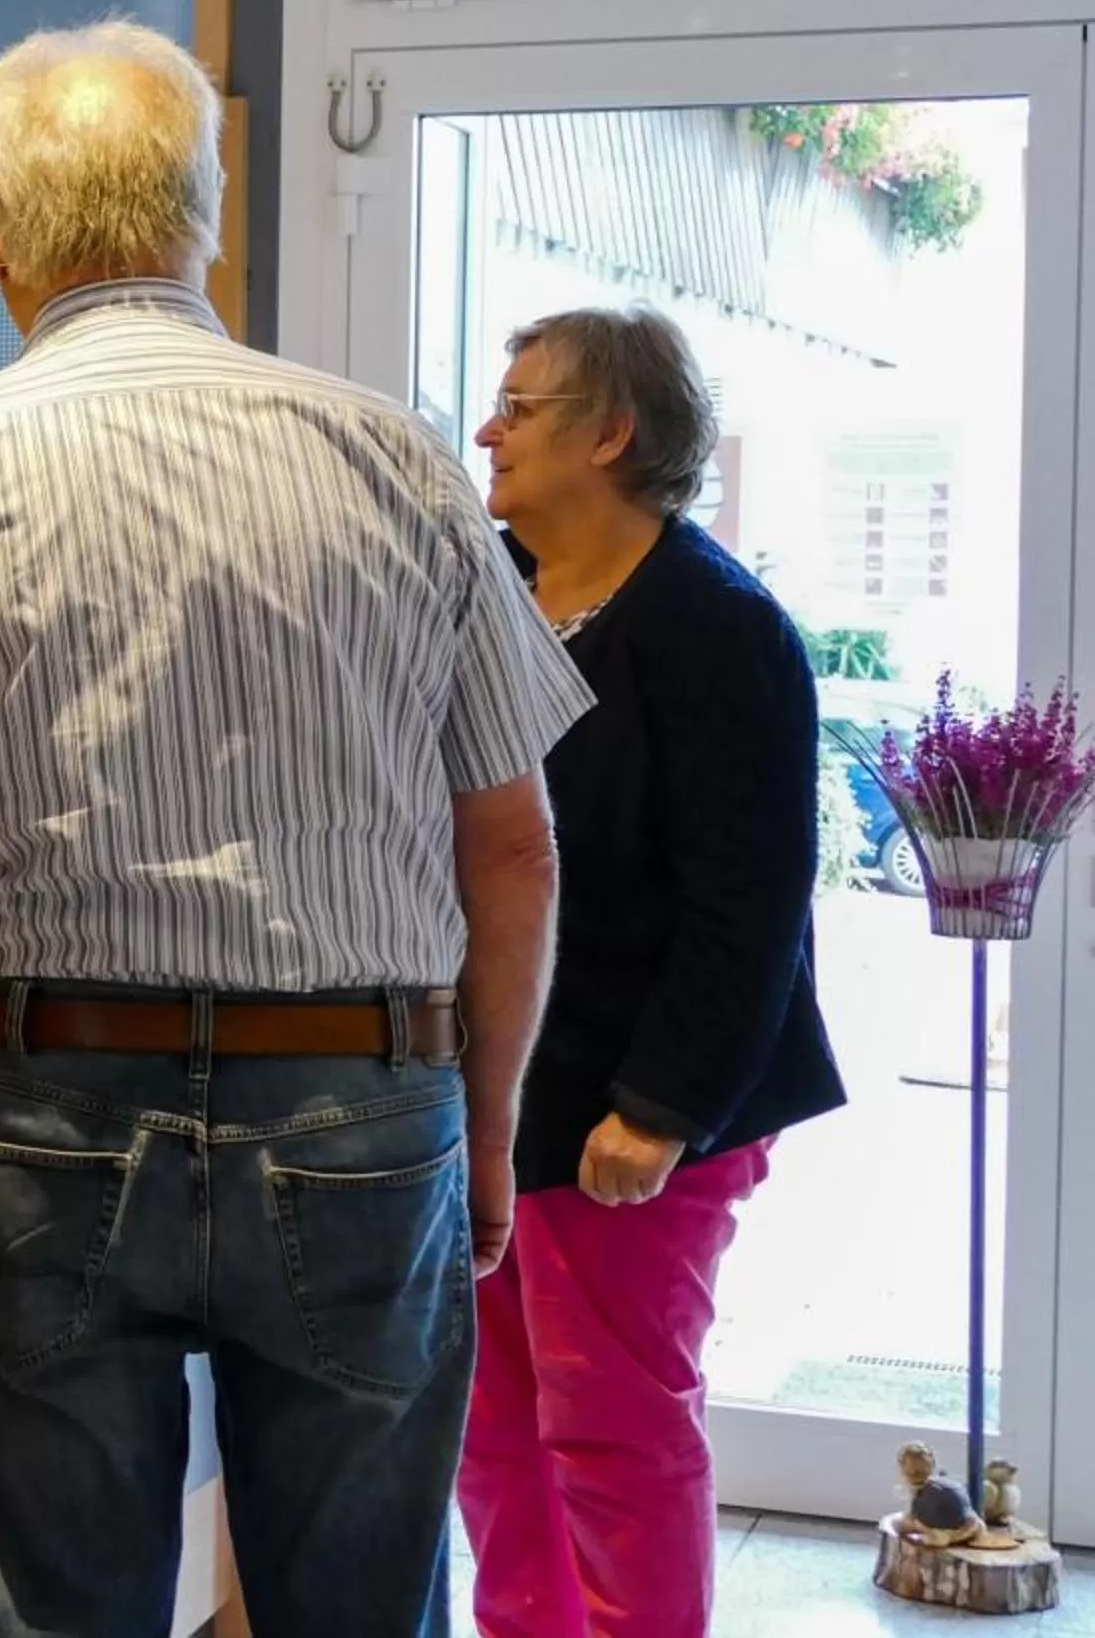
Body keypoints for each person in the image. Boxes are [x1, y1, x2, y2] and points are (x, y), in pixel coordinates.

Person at [0, 19, 591, 1638]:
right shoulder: (394, 460)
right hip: (361, 1094)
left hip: (47, 1105)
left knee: (65, 1611)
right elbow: (518, 846)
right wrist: (485, 1138)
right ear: (205, 212)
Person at [459, 308, 846, 1638]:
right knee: (488, 1435)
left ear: (612, 433)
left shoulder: (717, 626)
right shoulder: (489, 589)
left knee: (611, 1437)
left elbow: (752, 901)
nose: (487, 430)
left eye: (519, 405)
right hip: (497, 1091)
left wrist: (665, 1107)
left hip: (636, 1104)